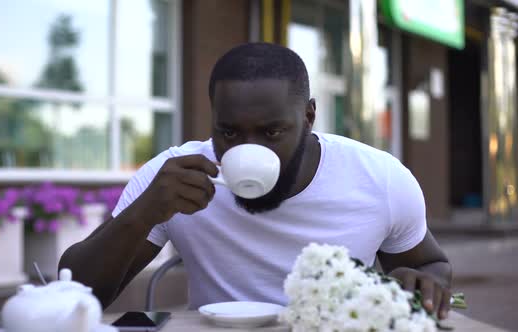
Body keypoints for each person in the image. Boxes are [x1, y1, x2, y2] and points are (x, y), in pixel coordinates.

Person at [59, 42, 452, 319]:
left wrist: (422, 282)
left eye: (271, 132)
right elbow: (74, 294)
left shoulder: (378, 178)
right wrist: (142, 213)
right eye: (228, 133)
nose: (246, 150)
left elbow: (433, 265)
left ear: (309, 117)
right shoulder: (176, 175)